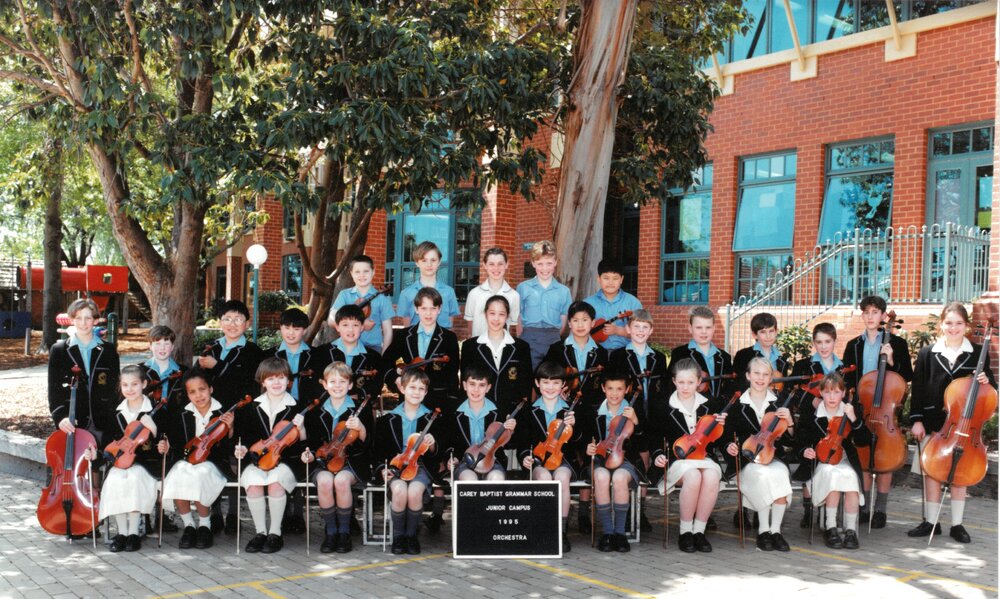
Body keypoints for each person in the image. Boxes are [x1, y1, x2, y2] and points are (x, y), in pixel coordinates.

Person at [907, 302, 996, 544]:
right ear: (941, 324)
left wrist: (986, 380)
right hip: (934, 423)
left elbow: (990, 391)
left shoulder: (978, 352)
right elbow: (918, 389)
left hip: (964, 426)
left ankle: (957, 524)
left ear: (966, 326)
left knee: (960, 474)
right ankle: (931, 522)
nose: (953, 328)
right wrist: (916, 420)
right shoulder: (927, 353)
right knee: (932, 473)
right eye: (948, 323)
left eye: (958, 323)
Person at [840, 295, 913, 529]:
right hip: (862, 408)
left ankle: (880, 509)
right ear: (862, 315)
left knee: (885, 458)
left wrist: (891, 361)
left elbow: (907, 375)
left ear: (883, 316)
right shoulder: (853, 345)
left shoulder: (897, 343)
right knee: (862, 458)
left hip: (886, 409)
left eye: (875, 312)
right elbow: (846, 378)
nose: (870, 316)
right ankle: (863, 507)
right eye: (866, 312)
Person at [196, 299, 263, 534]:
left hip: (241, 414)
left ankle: (234, 515)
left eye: (237, 319)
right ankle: (215, 513)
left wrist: (218, 366)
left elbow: (248, 383)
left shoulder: (253, 352)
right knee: (213, 459)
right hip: (212, 415)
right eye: (227, 319)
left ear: (246, 324)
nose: (232, 324)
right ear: (220, 322)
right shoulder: (212, 347)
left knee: (236, 463)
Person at [542, 300, 608, 535]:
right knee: (568, 456)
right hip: (564, 411)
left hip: (591, 411)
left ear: (592, 323)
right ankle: (561, 513)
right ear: (569, 323)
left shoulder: (601, 352)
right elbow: (548, 375)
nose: (580, 325)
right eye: (576, 320)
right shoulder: (557, 349)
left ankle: (584, 511)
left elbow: (605, 384)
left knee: (587, 458)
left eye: (585, 320)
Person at [650, 358, 726, 553]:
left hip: (703, 458)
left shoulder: (711, 404)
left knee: (711, 476)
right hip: (677, 458)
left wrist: (721, 428)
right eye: (681, 382)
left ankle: (699, 531)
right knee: (693, 476)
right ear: (674, 381)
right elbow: (654, 436)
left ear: (699, 382)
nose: (685, 387)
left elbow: (717, 442)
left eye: (690, 382)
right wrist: (657, 454)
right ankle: (685, 532)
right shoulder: (662, 405)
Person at [233, 358, 305, 554]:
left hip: (286, 461)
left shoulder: (297, 407)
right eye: (271, 378)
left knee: (275, 483)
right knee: (253, 483)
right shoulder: (251, 406)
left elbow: (304, 442)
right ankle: (260, 532)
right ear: (263, 382)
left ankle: (275, 533)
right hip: (258, 460)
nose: (276, 383)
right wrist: (242, 449)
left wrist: (301, 429)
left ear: (288, 381)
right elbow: (244, 437)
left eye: (281, 378)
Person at [301, 362, 374, 553]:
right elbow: (312, 442)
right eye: (332, 381)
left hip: (352, 461)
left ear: (350, 385)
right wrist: (310, 454)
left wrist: (361, 428)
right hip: (324, 461)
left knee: (341, 481)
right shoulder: (316, 410)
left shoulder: (361, 409)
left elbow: (369, 443)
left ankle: (344, 532)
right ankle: (331, 532)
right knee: (325, 481)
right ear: (325, 384)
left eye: (342, 381)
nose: (337, 385)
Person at [724, 357, 794, 552]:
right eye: (756, 373)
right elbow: (727, 436)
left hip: (772, 457)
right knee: (762, 475)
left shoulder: (779, 403)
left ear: (771, 378)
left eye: (765, 374)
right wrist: (729, 446)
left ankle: (776, 531)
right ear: (748, 375)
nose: (761, 378)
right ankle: (763, 531)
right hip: (746, 458)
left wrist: (790, 422)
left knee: (780, 473)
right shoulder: (737, 403)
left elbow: (791, 442)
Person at [796, 372, 871, 550]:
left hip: (844, 461)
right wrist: (805, 450)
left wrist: (854, 419)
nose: (832, 397)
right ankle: (831, 527)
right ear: (821, 393)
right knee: (832, 475)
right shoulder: (812, 415)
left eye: (836, 392)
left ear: (843, 393)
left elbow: (864, 440)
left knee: (851, 477)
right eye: (828, 392)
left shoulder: (850, 412)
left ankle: (851, 530)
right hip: (820, 463)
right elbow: (800, 440)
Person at [160, 369, 234, 550]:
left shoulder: (223, 413)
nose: (198, 395)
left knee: (201, 475)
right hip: (187, 461)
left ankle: (205, 526)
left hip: (214, 463)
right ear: (187, 395)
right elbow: (178, 446)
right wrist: (167, 447)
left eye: (202, 389)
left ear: (211, 389)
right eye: (192, 392)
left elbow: (229, 448)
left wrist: (230, 428)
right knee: (177, 475)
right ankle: (189, 526)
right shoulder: (182, 414)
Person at [608, 309, 667, 532]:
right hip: (629, 418)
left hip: (653, 416)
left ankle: (640, 511)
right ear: (628, 329)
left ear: (651, 331)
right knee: (634, 460)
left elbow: (662, 389)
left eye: (645, 327)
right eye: (636, 327)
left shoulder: (658, 358)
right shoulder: (618, 355)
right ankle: (626, 509)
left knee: (647, 462)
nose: (640, 331)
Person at [374, 369, 442, 555]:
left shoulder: (432, 418)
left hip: (421, 467)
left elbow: (439, 454)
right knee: (399, 490)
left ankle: (411, 536)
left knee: (414, 491)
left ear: (426, 392)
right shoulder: (387, 419)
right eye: (412, 387)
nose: (416, 392)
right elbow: (378, 451)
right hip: (396, 467)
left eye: (421, 389)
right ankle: (398, 536)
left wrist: (433, 445)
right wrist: (382, 469)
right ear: (402, 388)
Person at [518, 360, 583, 553]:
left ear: (563, 385)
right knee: (544, 477)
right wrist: (525, 457)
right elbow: (523, 442)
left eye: (555, 383)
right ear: (537, 384)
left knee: (562, 478)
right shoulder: (528, 411)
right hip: (539, 461)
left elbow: (580, 442)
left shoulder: (570, 410)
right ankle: (544, 527)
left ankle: (561, 531)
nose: (550, 387)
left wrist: (575, 426)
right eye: (545, 382)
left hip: (563, 461)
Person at [98, 365, 165, 552]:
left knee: (134, 478)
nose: (130, 389)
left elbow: (163, 444)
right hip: (120, 463)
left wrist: (154, 430)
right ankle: (122, 533)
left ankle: (134, 532)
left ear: (144, 384)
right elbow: (108, 444)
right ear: (120, 386)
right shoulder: (116, 412)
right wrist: (97, 454)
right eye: (125, 385)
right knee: (114, 479)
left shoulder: (155, 410)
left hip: (146, 463)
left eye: (134, 384)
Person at [788, 322, 843, 528]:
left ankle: (829, 508)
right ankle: (808, 509)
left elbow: (847, 394)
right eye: (819, 342)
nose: (823, 346)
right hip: (810, 423)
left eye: (827, 341)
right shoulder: (804, 365)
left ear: (834, 341)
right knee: (809, 462)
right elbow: (794, 393)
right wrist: (813, 400)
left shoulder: (843, 367)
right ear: (814, 343)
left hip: (834, 424)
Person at [48, 298, 120, 444]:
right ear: (72, 320)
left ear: (95, 320)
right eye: (78, 318)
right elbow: (54, 389)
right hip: (73, 422)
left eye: (88, 318)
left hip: (104, 422)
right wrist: (60, 416)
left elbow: (115, 388)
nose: (83, 323)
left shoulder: (108, 350)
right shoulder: (59, 350)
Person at [585, 370, 643, 553]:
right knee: (601, 477)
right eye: (610, 388)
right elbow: (584, 438)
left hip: (625, 459)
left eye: (619, 389)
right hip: (601, 458)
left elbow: (644, 442)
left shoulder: (634, 410)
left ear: (627, 389)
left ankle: (620, 533)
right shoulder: (594, 410)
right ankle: (608, 533)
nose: (615, 393)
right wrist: (589, 448)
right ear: (603, 388)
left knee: (619, 478)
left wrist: (636, 422)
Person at [383, 286, 460, 414]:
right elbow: (385, 362)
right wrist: (396, 379)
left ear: (439, 309)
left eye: (433, 308)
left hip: (438, 401)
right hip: (408, 400)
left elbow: (452, 374)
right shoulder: (403, 335)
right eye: (424, 308)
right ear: (416, 309)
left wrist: (450, 402)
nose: (428, 313)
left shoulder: (449, 338)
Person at [459, 295, 533, 417]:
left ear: (507, 316)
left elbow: (526, 385)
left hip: (511, 413)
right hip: (481, 412)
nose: (496, 319)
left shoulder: (521, 347)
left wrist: (521, 415)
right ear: (485, 314)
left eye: (501, 314)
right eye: (492, 313)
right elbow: (464, 384)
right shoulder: (470, 346)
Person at [448, 365, 516, 481]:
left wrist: (511, 431)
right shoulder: (454, 413)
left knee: (497, 477)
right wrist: (452, 458)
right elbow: (449, 442)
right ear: (465, 385)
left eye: (481, 385)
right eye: (472, 384)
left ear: (488, 388)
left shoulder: (499, 412)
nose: (476, 390)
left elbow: (508, 444)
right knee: (469, 479)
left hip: (492, 461)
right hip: (465, 461)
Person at [517, 240, 572, 369]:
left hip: (553, 339)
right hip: (529, 338)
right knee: (528, 374)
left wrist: (554, 336)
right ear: (533, 263)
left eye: (549, 263)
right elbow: (518, 316)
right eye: (540, 264)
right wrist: (523, 337)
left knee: (552, 375)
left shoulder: (564, 291)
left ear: (556, 262)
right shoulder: (523, 288)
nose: (545, 268)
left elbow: (563, 321)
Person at [667, 306, 734, 402]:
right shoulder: (680, 354)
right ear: (690, 328)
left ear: (714, 328)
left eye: (708, 327)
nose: (704, 331)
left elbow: (729, 388)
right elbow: (670, 387)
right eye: (699, 327)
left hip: (719, 410)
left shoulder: (724, 357)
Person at [329, 254, 395, 353]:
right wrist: (361, 323)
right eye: (357, 272)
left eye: (366, 271)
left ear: (373, 272)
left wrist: (384, 355)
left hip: (372, 348)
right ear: (351, 274)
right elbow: (331, 320)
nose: (362, 275)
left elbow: (388, 331)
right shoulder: (344, 295)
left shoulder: (382, 299)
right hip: (346, 346)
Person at [326, 304, 385, 404]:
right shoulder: (322, 353)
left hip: (359, 408)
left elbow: (376, 387)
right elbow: (316, 384)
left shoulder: (373, 357)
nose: (350, 330)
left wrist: (358, 396)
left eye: (355, 325)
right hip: (327, 407)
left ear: (362, 327)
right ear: (337, 327)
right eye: (345, 325)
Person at [396, 241, 460, 328]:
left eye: (433, 260)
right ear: (417, 263)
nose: (429, 264)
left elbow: (450, 325)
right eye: (424, 260)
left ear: (439, 262)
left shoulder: (449, 292)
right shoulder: (406, 293)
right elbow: (407, 327)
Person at [583, 259, 643, 352]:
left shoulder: (633, 302)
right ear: (599, 279)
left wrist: (618, 330)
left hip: (626, 353)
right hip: (595, 353)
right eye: (606, 278)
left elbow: (641, 332)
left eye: (615, 278)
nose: (610, 283)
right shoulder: (587, 303)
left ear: (621, 279)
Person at [463, 247, 520, 339]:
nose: (496, 268)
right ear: (484, 265)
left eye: (500, 264)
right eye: (491, 264)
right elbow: (470, 327)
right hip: (478, 345)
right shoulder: (474, 294)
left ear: (506, 264)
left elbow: (513, 327)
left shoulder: (514, 296)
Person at [731, 312, 789, 392]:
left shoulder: (782, 360)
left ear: (776, 332)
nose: (768, 336)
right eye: (763, 332)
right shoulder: (744, 355)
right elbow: (738, 384)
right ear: (754, 334)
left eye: (771, 331)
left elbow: (783, 389)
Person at [142, 325, 187, 407]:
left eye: (166, 344)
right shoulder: (140, 370)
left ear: (172, 347)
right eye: (158, 344)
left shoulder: (184, 372)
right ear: (150, 346)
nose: (162, 348)